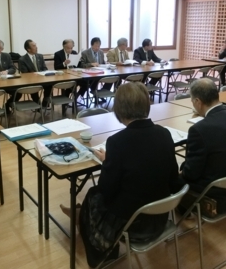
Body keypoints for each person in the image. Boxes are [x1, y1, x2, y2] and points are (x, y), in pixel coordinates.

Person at [62, 82, 180, 268]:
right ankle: (78, 214)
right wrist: (115, 161)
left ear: (119, 110)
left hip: (134, 224)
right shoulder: (164, 134)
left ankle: (81, 219)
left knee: (93, 195)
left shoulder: (117, 142)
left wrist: (109, 163)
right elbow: (173, 180)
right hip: (161, 216)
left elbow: (106, 191)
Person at [179, 78, 226, 214]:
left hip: (214, 194)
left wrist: (182, 169)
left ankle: (185, 211)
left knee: (172, 178)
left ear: (198, 102)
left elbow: (191, 174)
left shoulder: (200, 129)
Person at [18, 39, 52, 108]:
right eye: (34, 46)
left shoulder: (40, 56)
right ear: (28, 49)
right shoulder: (22, 59)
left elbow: (44, 68)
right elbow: (25, 73)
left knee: (49, 85)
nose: (36, 47)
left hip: (41, 79)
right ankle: (38, 106)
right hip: (31, 81)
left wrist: (42, 73)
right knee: (33, 87)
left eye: (36, 45)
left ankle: (45, 104)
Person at [78, 37, 107, 101]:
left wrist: (107, 65)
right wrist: (91, 64)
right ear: (91, 45)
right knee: (93, 81)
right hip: (89, 74)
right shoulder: (85, 53)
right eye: (96, 46)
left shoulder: (101, 52)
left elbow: (103, 63)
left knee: (111, 78)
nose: (97, 48)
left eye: (99, 46)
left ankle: (100, 94)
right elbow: (81, 65)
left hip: (100, 73)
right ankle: (95, 94)